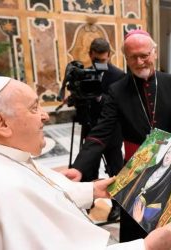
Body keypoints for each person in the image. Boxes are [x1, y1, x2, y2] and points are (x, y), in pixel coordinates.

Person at [0, 76, 171, 250]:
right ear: (2, 124)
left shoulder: (13, 157)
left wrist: (93, 190)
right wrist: (147, 246)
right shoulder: (5, 188)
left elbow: (47, 193)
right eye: (33, 108)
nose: (45, 115)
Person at [63, 30, 171, 243]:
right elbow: (101, 133)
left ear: (154, 53)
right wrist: (79, 167)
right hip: (135, 172)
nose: (140, 61)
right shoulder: (117, 90)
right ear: (125, 58)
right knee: (136, 232)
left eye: (144, 55)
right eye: (133, 57)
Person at [71, 37, 125, 222]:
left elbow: (121, 107)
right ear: (90, 55)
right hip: (90, 129)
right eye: (96, 60)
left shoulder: (119, 75)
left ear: (109, 55)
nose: (100, 63)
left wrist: (100, 98)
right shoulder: (84, 74)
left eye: (103, 60)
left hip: (111, 133)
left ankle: (118, 206)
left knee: (115, 171)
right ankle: (88, 201)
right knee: (87, 170)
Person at [115, 141, 171, 233]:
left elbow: (155, 213)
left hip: (139, 225)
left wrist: (141, 220)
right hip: (127, 210)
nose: (168, 155)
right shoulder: (149, 170)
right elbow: (129, 188)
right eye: (168, 152)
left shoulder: (168, 183)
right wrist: (117, 197)